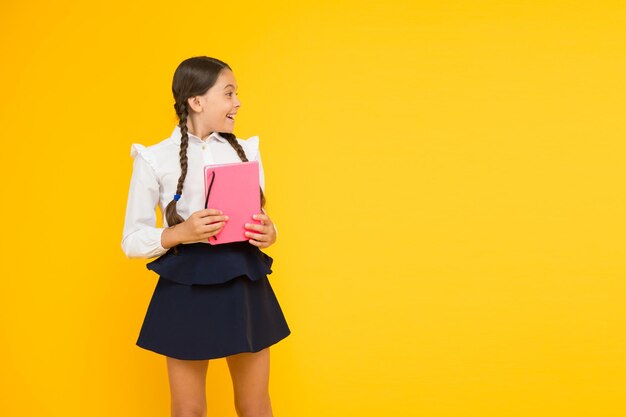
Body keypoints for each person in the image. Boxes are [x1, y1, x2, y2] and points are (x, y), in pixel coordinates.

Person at [121, 56, 291, 417]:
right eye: (228, 94)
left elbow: (262, 220)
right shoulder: (154, 159)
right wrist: (181, 232)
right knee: (188, 408)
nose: (238, 103)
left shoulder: (246, 149)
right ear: (197, 102)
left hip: (244, 276)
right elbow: (131, 240)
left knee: (255, 405)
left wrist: (270, 232)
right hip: (187, 282)